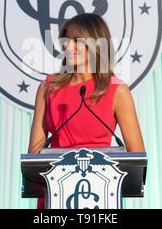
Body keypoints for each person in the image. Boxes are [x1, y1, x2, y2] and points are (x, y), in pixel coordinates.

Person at [28, 13, 145, 154]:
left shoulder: (117, 90)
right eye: (67, 41)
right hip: (57, 174)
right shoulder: (48, 87)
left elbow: (137, 157)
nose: (69, 47)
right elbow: (34, 156)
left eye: (77, 40)